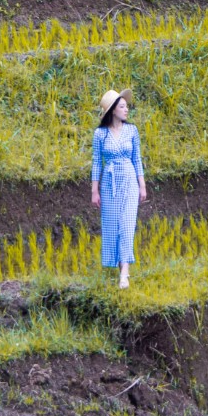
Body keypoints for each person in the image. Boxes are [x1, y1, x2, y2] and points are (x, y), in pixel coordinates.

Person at [90, 88, 146, 290]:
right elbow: (97, 162)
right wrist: (94, 191)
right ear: (113, 110)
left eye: (126, 106)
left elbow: (137, 158)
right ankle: (120, 266)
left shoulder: (132, 131)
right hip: (109, 184)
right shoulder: (100, 134)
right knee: (113, 225)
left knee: (127, 223)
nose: (126, 110)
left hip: (129, 180)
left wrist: (142, 185)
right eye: (122, 107)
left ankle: (125, 273)